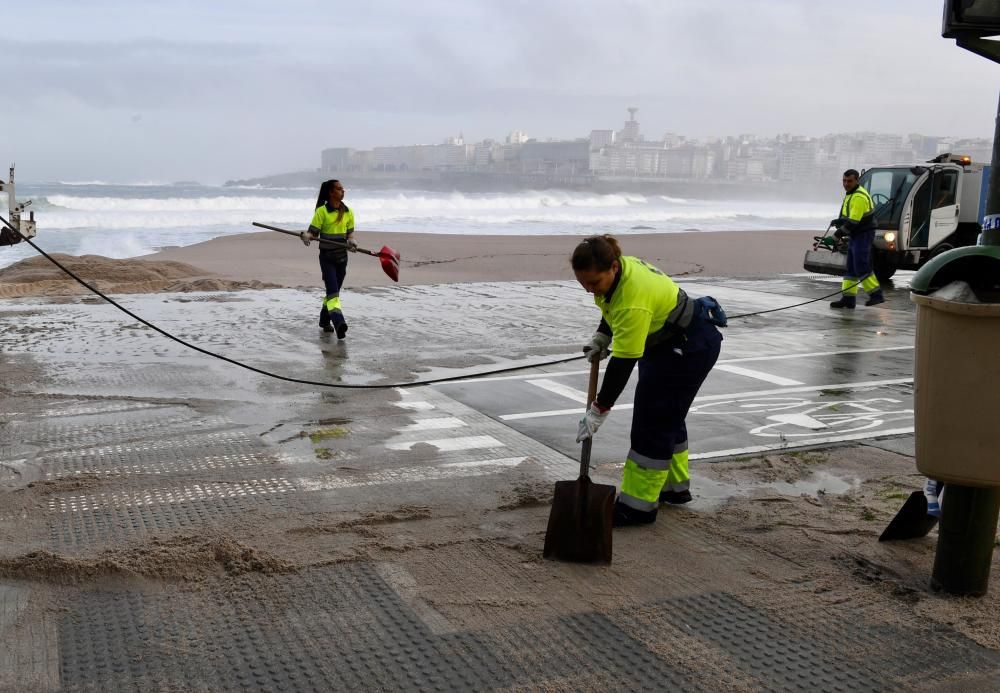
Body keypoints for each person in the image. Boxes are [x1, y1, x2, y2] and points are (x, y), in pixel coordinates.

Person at [572, 235, 725, 527]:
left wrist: (599, 409)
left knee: (652, 423)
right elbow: (610, 305)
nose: (590, 289)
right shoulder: (620, 272)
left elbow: (623, 362)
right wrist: (603, 335)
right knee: (668, 415)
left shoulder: (633, 300)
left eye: (594, 283)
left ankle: (637, 508)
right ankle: (673, 488)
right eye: (584, 283)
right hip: (672, 343)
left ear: (613, 267)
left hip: (687, 348)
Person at [301, 179, 357, 338]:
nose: (343, 191)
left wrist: (352, 242)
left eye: (342, 189)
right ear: (331, 192)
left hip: (342, 258)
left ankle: (324, 321)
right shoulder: (322, 212)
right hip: (327, 259)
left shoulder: (348, 212)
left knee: (333, 293)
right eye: (339, 189)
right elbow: (313, 233)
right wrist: (307, 236)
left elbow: (350, 235)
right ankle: (339, 323)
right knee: (333, 293)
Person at [829, 169, 884, 309]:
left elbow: (853, 222)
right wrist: (840, 221)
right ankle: (848, 299)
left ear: (857, 180)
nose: (846, 184)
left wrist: (836, 236)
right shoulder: (851, 194)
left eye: (849, 181)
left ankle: (876, 295)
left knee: (861, 265)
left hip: (863, 234)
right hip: (857, 234)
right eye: (844, 181)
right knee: (851, 268)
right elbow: (850, 216)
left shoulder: (859, 197)